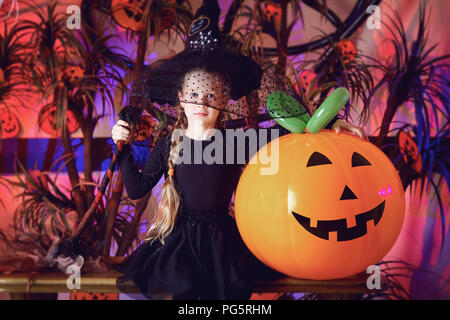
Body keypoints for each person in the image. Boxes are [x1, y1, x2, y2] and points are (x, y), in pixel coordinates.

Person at [111, 1, 367, 300]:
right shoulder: (171, 142)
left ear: (224, 98)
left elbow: (295, 129)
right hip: (179, 244)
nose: (201, 102)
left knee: (231, 292)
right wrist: (124, 148)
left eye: (210, 94)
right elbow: (137, 187)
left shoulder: (236, 142)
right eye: (193, 94)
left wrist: (331, 121)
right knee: (177, 289)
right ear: (180, 97)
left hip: (225, 244)